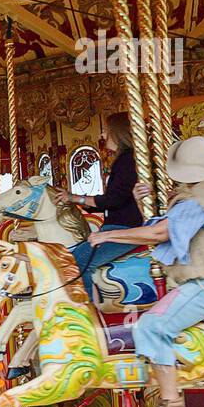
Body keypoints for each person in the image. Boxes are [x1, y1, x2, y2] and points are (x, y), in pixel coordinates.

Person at [88, 136, 204, 407]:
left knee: (152, 325)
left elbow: (159, 235)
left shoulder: (200, 196)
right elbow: (169, 227)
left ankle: (172, 405)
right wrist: (143, 203)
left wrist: (108, 235)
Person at [58, 111, 144, 301]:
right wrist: (80, 202)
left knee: (77, 262)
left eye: (106, 130)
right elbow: (112, 201)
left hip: (126, 228)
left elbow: (114, 200)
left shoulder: (127, 160)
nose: (102, 135)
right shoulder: (125, 160)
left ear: (119, 133)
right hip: (119, 225)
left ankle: (86, 314)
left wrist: (76, 198)